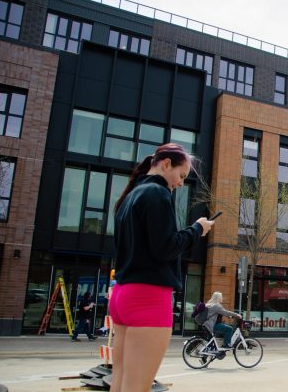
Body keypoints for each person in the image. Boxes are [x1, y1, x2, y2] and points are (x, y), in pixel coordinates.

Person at [108, 143, 214, 392]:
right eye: (181, 175)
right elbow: (165, 247)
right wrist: (197, 229)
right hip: (148, 297)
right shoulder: (158, 194)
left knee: (120, 383)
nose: (180, 183)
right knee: (136, 387)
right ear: (166, 164)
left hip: (123, 296)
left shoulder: (130, 196)